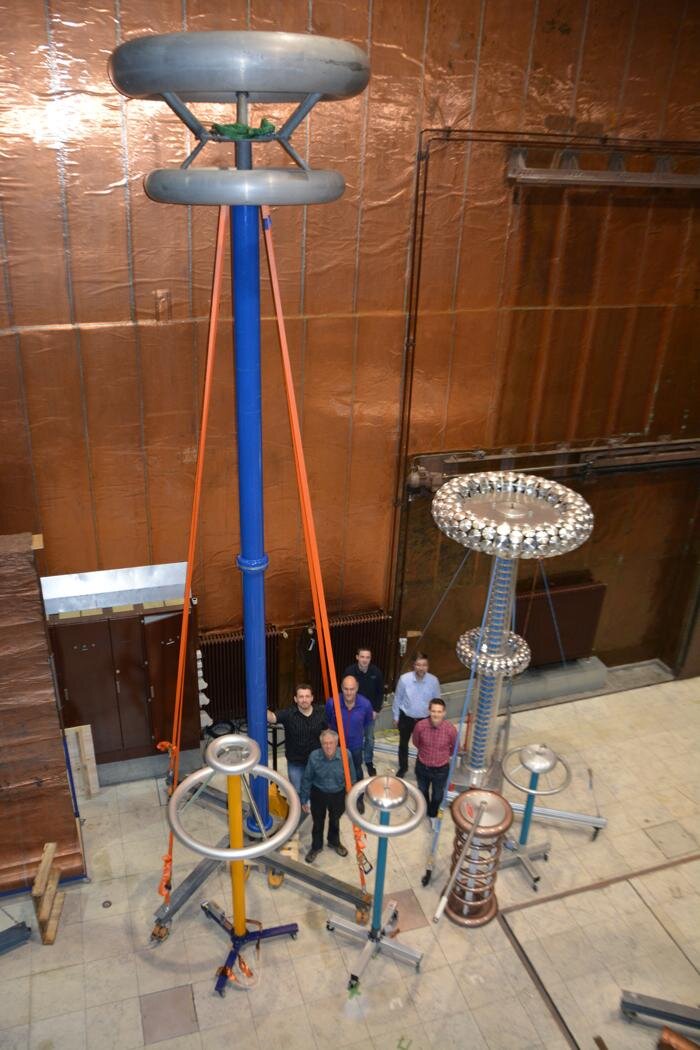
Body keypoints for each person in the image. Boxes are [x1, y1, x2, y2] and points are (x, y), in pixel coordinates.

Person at [300, 729, 357, 864]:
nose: (328, 746)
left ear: (336, 743)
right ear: (321, 744)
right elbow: (307, 778)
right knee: (318, 821)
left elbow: (352, 777)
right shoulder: (314, 756)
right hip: (318, 793)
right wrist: (304, 799)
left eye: (331, 743)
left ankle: (334, 842)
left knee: (335, 820)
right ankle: (316, 847)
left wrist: (351, 797)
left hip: (338, 793)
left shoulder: (346, 755)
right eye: (325, 743)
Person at [266, 684, 327, 797]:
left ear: (312, 698)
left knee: (316, 790)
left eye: (307, 696)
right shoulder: (289, 713)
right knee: (298, 792)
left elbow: (327, 733)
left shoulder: (321, 712)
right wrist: (261, 705)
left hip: (316, 762)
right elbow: (272, 718)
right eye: (301, 697)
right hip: (296, 763)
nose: (304, 700)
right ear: (295, 699)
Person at [392, 652, 441, 778]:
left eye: (424, 665)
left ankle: (421, 768)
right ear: (413, 665)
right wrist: (396, 717)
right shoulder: (404, 679)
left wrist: (436, 719)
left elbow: (437, 702)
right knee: (403, 744)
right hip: (406, 717)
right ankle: (403, 767)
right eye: (418, 665)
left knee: (424, 745)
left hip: (425, 720)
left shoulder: (433, 681)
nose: (421, 668)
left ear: (428, 666)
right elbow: (398, 698)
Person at [412, 698, 457, 829]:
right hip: (422, 766)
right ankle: (424, 810)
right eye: (433, 711)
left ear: (444, 713)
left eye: (439, 711)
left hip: (441, 769)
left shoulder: (450, 730)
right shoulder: (420, 726)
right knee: (422, 791)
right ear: (429, 711)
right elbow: (416, 742)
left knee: (437, 795)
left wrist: (442, 756)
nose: (436, 714)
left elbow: (455, 748)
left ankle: (432, 814)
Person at [343, 646, 385, 776]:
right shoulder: (349, 671)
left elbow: (380, 693)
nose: (365, 660)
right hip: (353, 711)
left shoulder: (376, 672)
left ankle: (368, 761)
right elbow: (344, 691)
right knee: (352, 736)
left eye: (367, 657)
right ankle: (350, 760)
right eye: (362, 657)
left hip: (369, 713)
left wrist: (376, 710)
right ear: (357, 657)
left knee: (369, 738)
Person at [324, 675, 373, 781]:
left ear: (357, 688)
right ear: (341, 688)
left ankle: (358, 790)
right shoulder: (332, 703)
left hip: (356, 746)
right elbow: (327, 723)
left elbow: (367, 726)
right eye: (346, 689)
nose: (349, 693)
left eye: (352, 689)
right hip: (336, 746)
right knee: (336, 771)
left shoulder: (366, 705)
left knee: (356, 769)